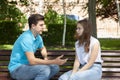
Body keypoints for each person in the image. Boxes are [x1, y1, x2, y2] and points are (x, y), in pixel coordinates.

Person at [8, 14, 67, 80]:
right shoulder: (26, 38)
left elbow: (42, 48)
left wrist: (45, 57)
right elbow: (32, 61)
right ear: (33, 26)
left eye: (43, 25)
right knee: (44, 69)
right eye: (41, 25)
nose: (43, 27)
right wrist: (53, 61)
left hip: (29, 67)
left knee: (55, 67)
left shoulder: (38, 37)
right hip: (17, 69)